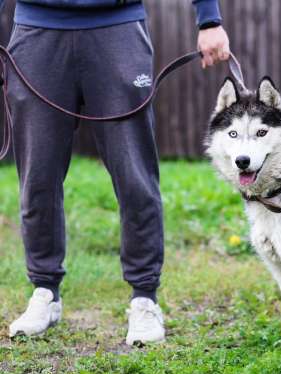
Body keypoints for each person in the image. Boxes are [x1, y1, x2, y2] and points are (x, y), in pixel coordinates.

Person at [0, 0, 230, 345]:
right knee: (38, 177)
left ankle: (144, 298)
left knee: (134, 175)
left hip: (117, 30)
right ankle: (44, 291)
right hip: (37, 33)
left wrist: (209, 19)